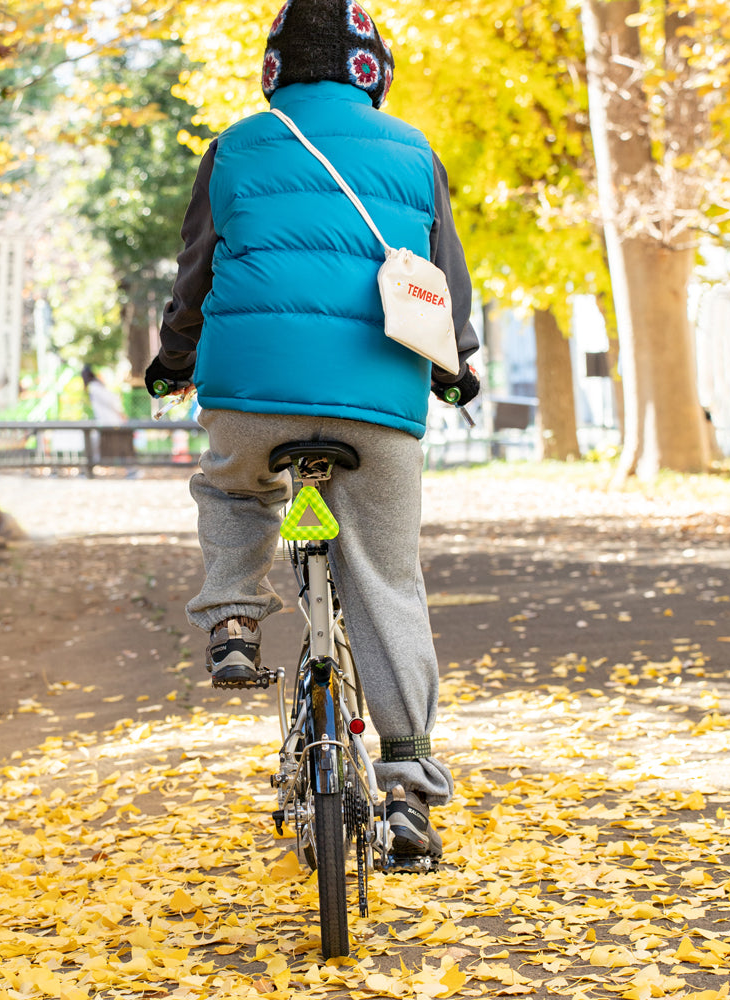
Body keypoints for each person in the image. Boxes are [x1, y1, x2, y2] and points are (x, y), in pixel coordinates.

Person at [144, 0, 479, 863]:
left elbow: (198, 275)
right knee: (389, 579)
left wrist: (174, 360)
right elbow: (445, 279)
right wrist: (455, 364)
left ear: (273, 70)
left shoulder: (234, 147)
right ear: (375, 69)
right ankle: (409, 791)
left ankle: (230, 620)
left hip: (252, 388)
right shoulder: (414, 151)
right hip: (380, 401)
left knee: (232, 486)